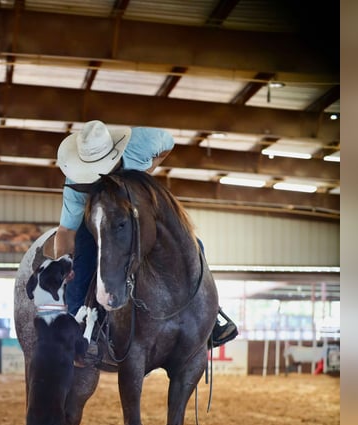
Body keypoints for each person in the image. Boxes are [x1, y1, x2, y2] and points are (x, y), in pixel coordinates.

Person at [52, 120, 238, 359]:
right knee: (82, 263)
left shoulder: (141, 143)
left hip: (137, 203)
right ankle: (78, 331)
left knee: (190, 244)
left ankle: (210, 318)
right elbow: (66, 231)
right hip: (98, 215)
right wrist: (63, 264)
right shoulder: (76, 185)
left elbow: (167, 144)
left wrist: (144, 175)